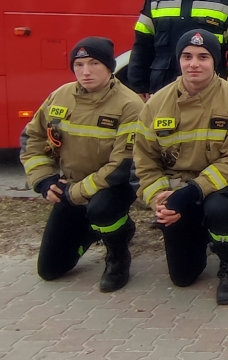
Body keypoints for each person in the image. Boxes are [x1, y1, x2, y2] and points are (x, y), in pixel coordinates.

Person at [134, 29, 228, 305]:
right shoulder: (156, 104)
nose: (194, 64)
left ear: (215, 62)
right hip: (174, 189)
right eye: (187, 56)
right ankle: (198, 234)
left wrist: (190, 193)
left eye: (203, 57)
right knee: (183, 276)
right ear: (179, 60)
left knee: (221, 210)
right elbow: (145, 159)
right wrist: (158, 199)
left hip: (220, 183)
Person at [20, 37, 143, 292]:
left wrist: (76, 193)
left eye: (94, 63)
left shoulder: (129, 105)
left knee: (102, 209)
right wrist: (44, 181)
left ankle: (117, 254)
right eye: (79, 64)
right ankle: (92, 230)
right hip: (70, 186)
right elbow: (32, 139)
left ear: (109, 67)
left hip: (113, 185)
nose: (86, 71)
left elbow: (123, 164)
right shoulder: (60, 96)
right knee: (51, 269)